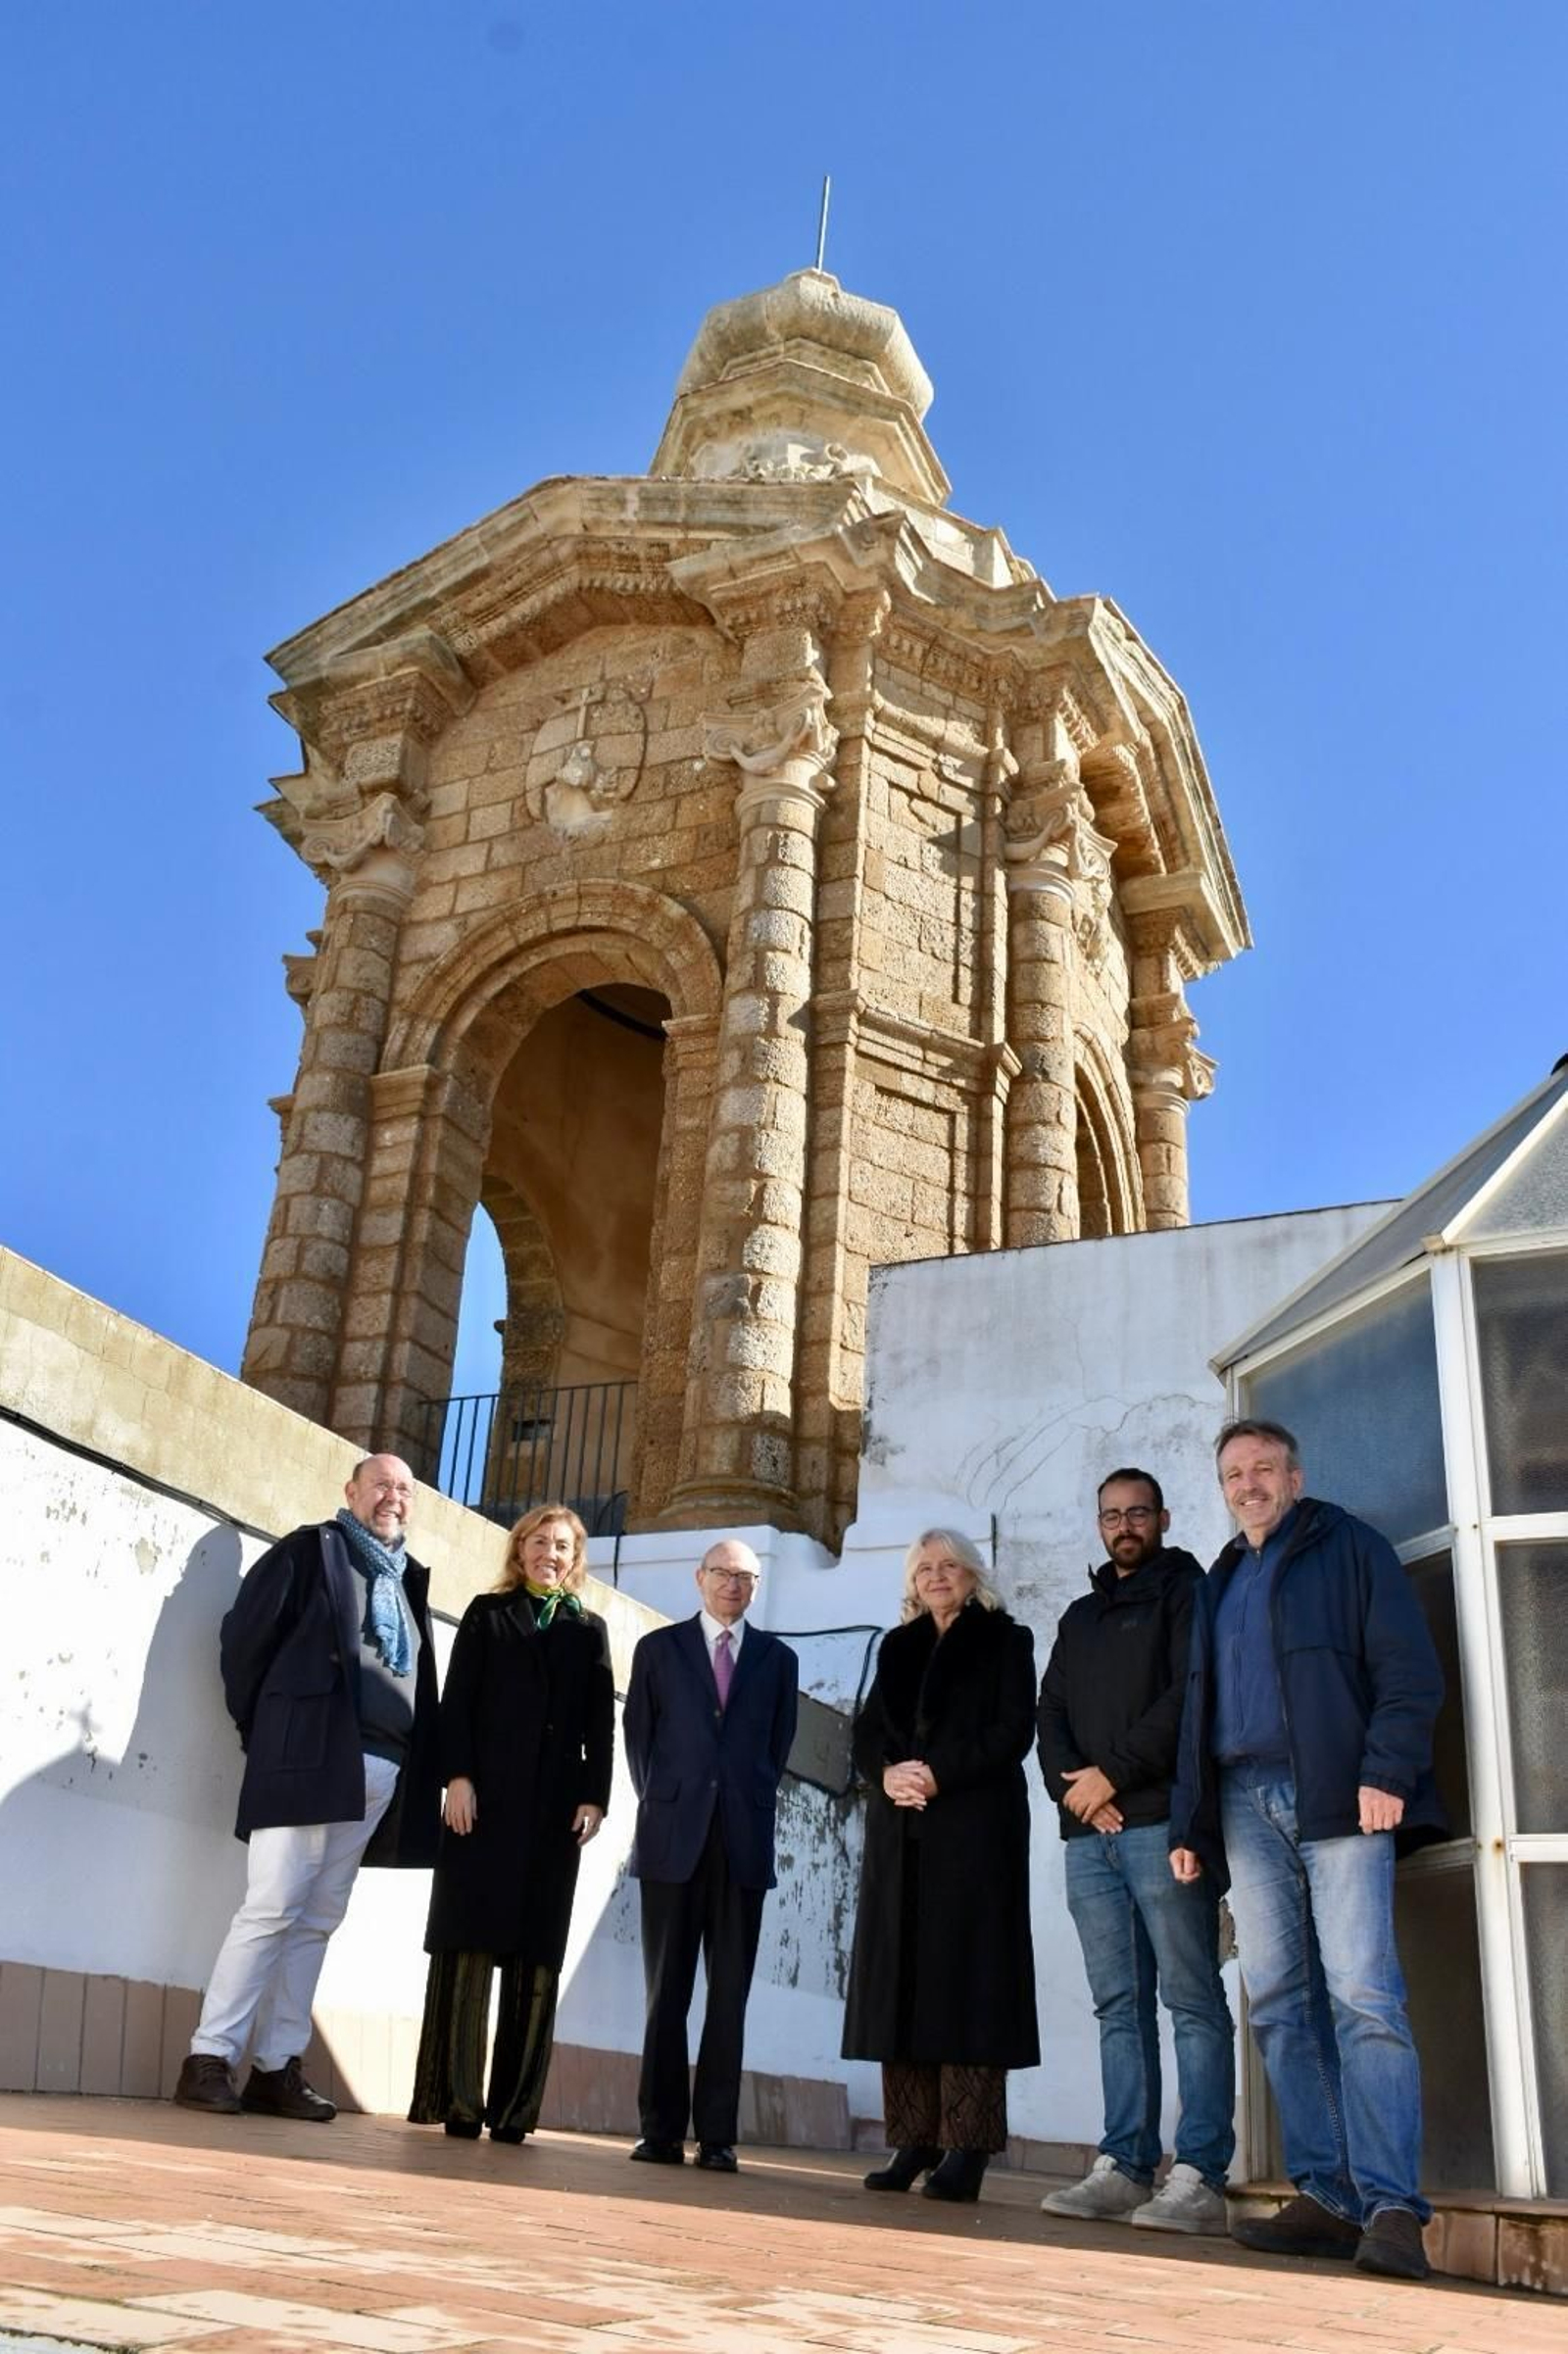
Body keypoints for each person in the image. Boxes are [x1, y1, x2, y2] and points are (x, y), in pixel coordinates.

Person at [1169, 1418, 1446, 2282]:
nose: (1247, 1484)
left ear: (1295, 1476)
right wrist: (1191, 1825)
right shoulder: (1221, 1578)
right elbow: (1198, 1712)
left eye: (1262, 1469)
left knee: (1363, 1994)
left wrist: (1386, 1768)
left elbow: (1408, 1669)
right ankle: (1329, 2194)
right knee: (1280, 2001)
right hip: (1244, 1802)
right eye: (1233, 1474)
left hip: (1340, 1795)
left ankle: (1394, 2207)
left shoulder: (1349, 1548)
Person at [174, 1452, 441, 2120]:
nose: (393, 1497)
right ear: (351, 1491)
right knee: (270, 1907)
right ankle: (208, 2058)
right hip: (306, 1758)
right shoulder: (308, 1551)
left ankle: (275, 2068)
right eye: (380, 1484)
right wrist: (264, 1733)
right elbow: (244, 1642)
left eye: (405, 1489)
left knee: (318, 1920)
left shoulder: (405, 1579)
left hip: (380, 1772)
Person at [1037, 1469, 1234, 2234]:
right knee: (1119, 2006)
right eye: (1111, 1516)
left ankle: (1201, 2175)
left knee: (1190, 1999)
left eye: (1138, 1514)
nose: (1124, 1527)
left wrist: (1113, 1775)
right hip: (1090, 1837)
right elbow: (1049, 1710)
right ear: (1099, 1525)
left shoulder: (1189, 1594)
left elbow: (1187, 1699)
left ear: (1163, 1517)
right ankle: (1123, 2165)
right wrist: (1077, 1793)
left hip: (1159, 1826)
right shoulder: (1080, 1617)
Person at [842, 1530, 1039, 2204]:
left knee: (970, 1986)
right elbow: (866, 1732)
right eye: (923, 1567)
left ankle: (968, 2147)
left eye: (948, 1565)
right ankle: (914, 2138)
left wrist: (939, 1775)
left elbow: (1012, 1732)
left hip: (974, 1836)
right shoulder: (897, 1646)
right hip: (901, 1836)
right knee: (902, 1987)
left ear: (971, 1574)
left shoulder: (1007, 1641)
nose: (936, 1576)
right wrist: (888, 1773)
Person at [408, 1502, 613, 2143]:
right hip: (485, 1807)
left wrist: (594, 1798)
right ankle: (460, 2102)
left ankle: (515, 2111)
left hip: (553, 1816)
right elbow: (456, 1703)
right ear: (519, 1548)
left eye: (562, 1546)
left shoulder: (590, 1630)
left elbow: (600, 1726)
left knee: (535, 1961)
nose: (549, 1554)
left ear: (575, 1558)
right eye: (539, 1542)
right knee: (468, 1949)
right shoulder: (487, 1615)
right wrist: (458, 1778)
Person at [623, 1538, 798, 2173]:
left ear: (755, 1587)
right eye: (723, 1573)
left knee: (730, 1996)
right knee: (665, 1994)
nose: (733, 1585)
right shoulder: (658, 1650)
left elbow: (776, 1750)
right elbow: (639, 1741)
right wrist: (671, 1804)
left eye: (746, 1577)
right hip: (672, 1843)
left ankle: (718, 2136)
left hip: (742, 1846)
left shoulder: (778, 1660)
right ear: (699, 1579)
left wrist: (735, 1803)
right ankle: (660, 2131)